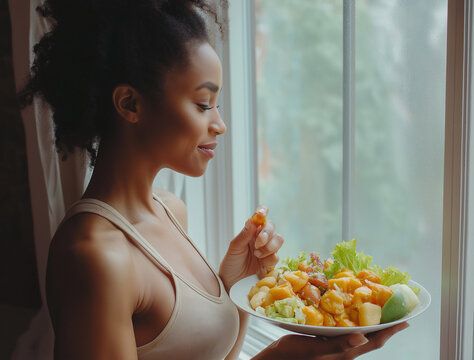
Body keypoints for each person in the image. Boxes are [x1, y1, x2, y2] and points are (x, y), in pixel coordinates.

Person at [18, 0, 408, 359]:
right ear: (130, 104)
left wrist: (233, 279)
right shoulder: (94, 255)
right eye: (203, 104)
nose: (219, 124)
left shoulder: (171, 210)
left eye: (216, 105)